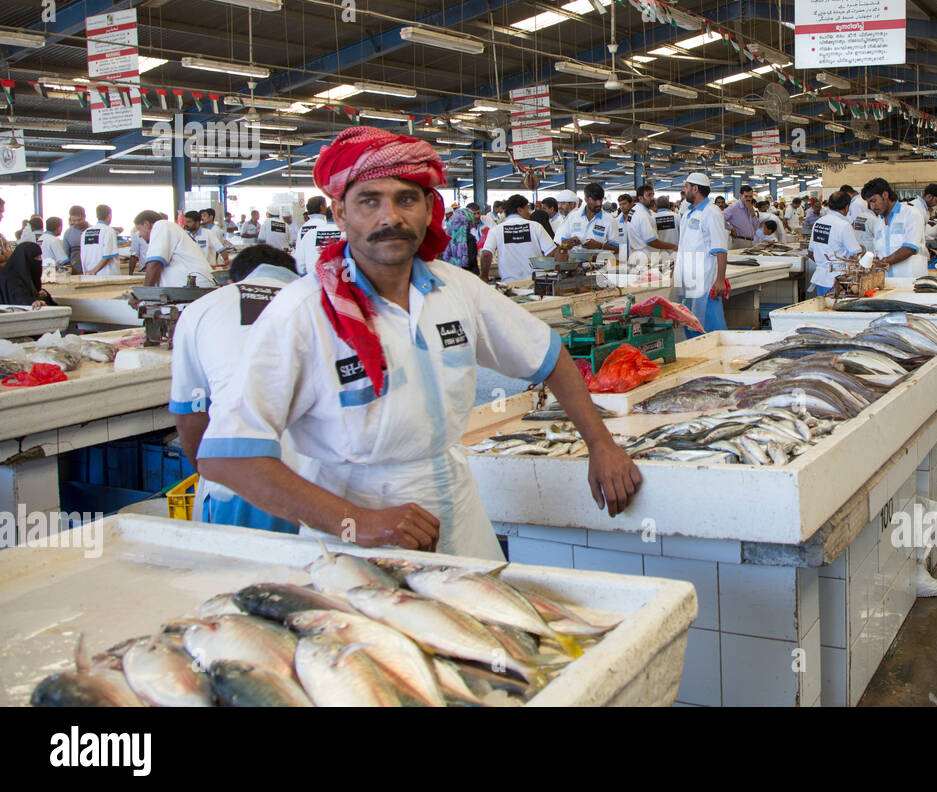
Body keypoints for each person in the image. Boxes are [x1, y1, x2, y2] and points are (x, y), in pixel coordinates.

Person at [196, 127, 641, 556]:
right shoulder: (302, 313)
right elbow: (227, 456)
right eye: (368, 201)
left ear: (429, 209)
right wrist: (357, 522)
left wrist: (600, 444)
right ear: (339, 213)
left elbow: (548, 356)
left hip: (459, 519)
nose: (390, 217)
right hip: (354, 547)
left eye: (406, 199)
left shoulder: (456, 289)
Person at [170, 245, 310, 532]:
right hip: (324, 490)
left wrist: (215, 473)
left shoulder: (203, 308)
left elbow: (189, 416)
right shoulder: (324, 302)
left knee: (236, 572)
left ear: (233, 281)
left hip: (237, 486)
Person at [677, 172, 729, 336]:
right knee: (691, 325)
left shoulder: (711, 212)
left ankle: (720, 359)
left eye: (686, 187)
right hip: (688, 280)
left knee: (712, 327)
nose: (684, 190)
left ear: (696, 188)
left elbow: (720, 248)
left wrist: (720, 279)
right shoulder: (687, 213)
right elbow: (685, 245)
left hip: (705, 282)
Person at [480, 194, 556, 283]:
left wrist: (484, 276)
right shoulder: (535, 226)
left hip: (510, 283)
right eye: (527, 209)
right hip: (536, 282)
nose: (529, 213)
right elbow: (551, 252)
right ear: (519, 210)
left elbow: (486, 254)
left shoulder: (496, 230)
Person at [134, 210, 215, 288]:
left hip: (194, 287)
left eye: (139, 229)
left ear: (146, 224)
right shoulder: (171, 227)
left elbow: (155, 263)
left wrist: (142, 294)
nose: (140, 235)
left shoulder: (160, 225)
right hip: (193, 286)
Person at [864, 178, 927, 278]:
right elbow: (879, 251)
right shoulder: (878, 222)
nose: (872, 206)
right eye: (869, 203)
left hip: (910, 280)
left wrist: (883, 262)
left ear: (885, 195)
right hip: (887, 281)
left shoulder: (910, 213)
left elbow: (910, 248)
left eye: (874, 201)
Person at [807, 192, 861, 295]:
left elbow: (810, 253)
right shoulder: (844, 225)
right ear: (846, 207)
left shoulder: (818, 223)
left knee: (823, 309)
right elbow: (856, 254)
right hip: (839, 282)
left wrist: (825, 265)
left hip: (821, 280)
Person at [558, 183, 618, 252]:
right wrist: (570, 242)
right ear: (586, 199)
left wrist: (600, 246)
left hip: (597, 261)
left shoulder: (609, 220)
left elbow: (617, 248)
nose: (599, 203)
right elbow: (563, 243)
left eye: (601, 200)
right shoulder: (573, 217)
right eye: (595, 200)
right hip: (575, 261)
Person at [624, 185, 676, 262]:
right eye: (649, 195)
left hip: (638, 254)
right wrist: (673, 246)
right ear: (640, 198)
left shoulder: (634, 210)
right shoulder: (642, 214)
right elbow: (651, 241)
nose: (652, 198)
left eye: (653, 194)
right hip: (646, 257)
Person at [294, 197, 344, 277]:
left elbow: (300, 264)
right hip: (339, 281)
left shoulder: (305, 230)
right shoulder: (346, 233)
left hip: (312, 281)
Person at [65, 206, 87, 275]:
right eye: (74, 220)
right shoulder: (68, 233)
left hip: (93, 269)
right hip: (76, 270)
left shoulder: (93, 230)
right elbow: (66, 254)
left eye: (79, 220)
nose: (77, 223)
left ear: (84, 217)